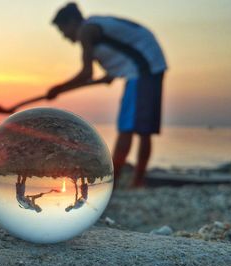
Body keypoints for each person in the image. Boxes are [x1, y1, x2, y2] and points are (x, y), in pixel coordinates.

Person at [47, 3, 167, 188]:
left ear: (72, 22)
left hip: (143, 69)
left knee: (128, 127)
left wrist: (58, 88)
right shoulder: (96, 26)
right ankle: (136, 181)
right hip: (148, 66)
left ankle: (116, 182)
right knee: (143, 130)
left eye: (63, 30)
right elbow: (112, 65)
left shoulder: (86, 30)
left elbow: (87, 73)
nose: (65, 36)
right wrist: (108, 76)